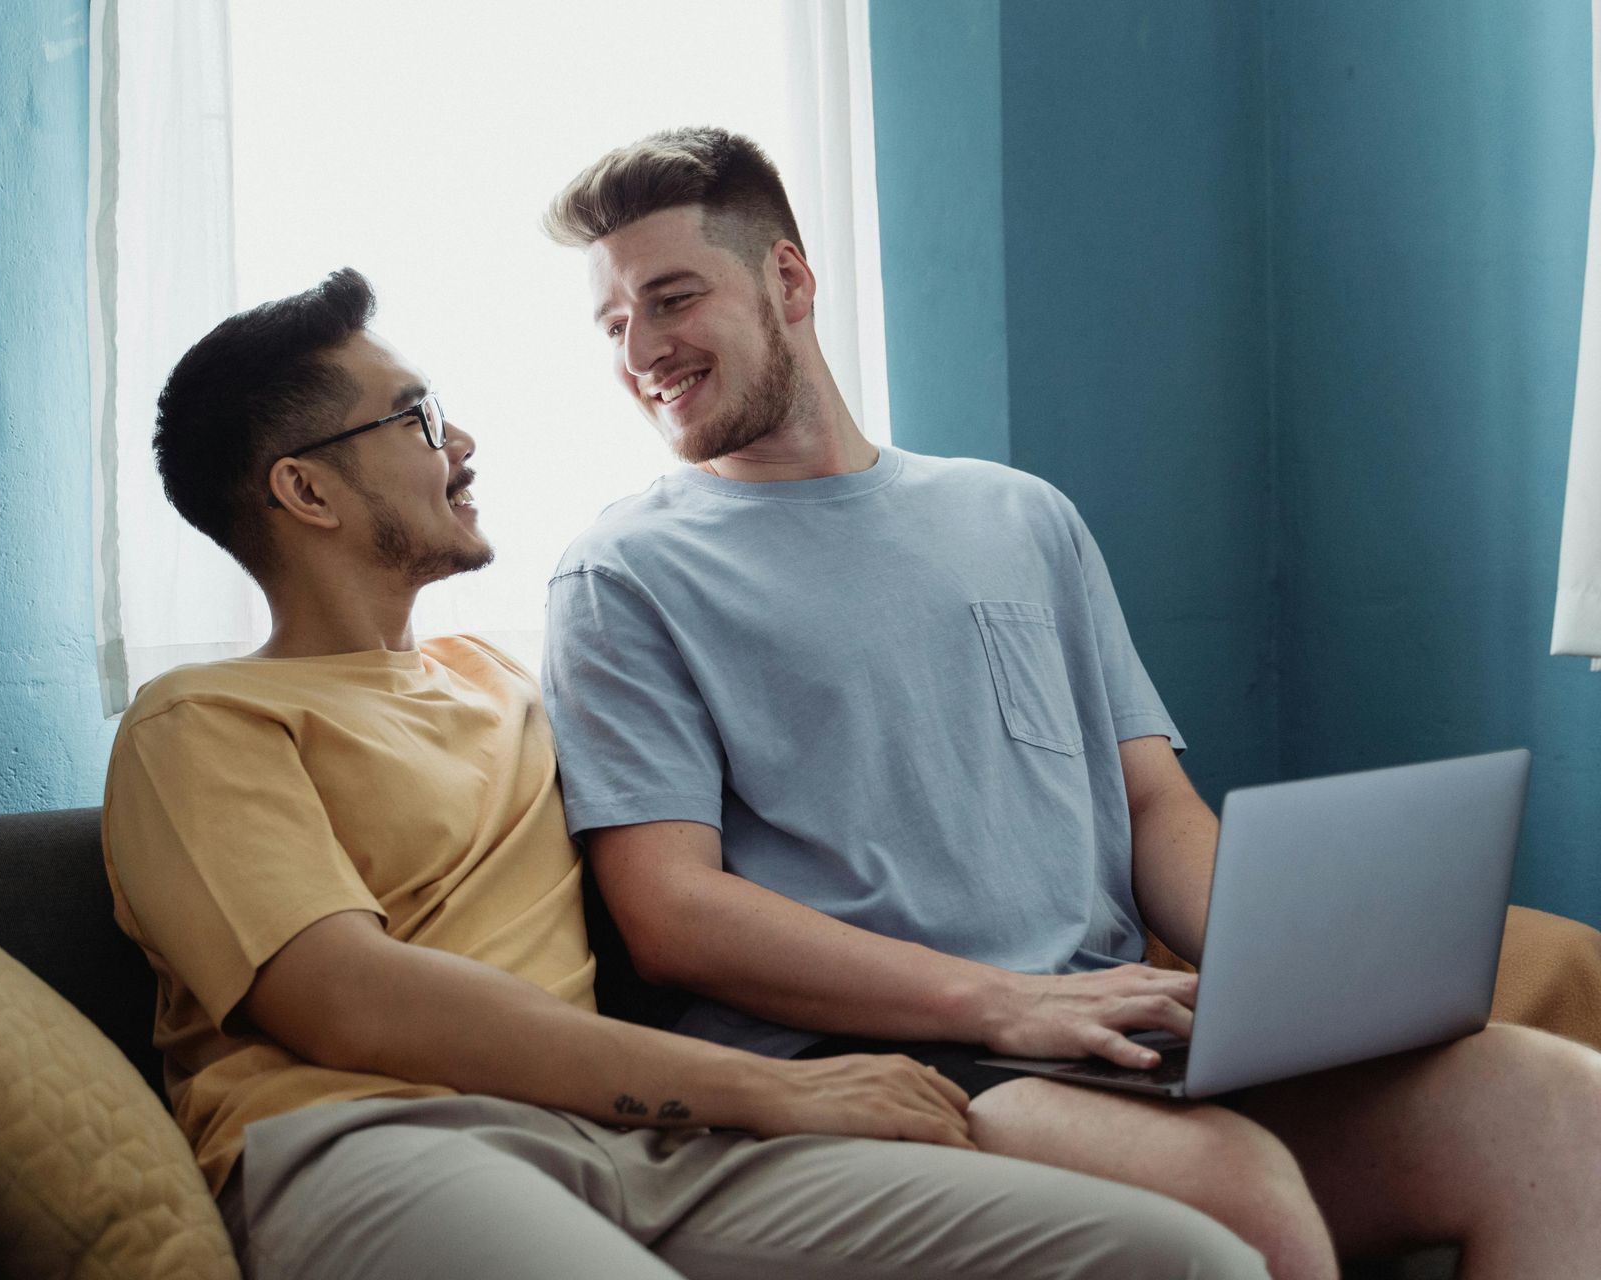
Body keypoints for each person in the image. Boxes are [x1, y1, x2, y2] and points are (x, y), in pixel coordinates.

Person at [538, 126, 1601, 1280]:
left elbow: (1152, 802)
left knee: (1554, 1099)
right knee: (1239, 1198)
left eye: (671, 298)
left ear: (787, 278)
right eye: (612, 325)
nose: (641, 348)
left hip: (1104, 1032)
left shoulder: (1019, 516)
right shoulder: (623, 575)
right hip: (892, 1049)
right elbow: (671, 911)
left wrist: (1280, 978)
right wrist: (998, 1004)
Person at [100, 269, 1267, 1280]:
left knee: (1186, 1253)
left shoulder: (501, 683)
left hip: (632, 1142)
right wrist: (772, 1089)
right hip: (379, 1142)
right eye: (416, 418)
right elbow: (354, 997)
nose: (459, 444)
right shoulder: (201, 725)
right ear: (304, 491)